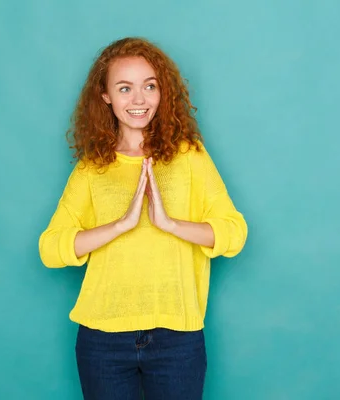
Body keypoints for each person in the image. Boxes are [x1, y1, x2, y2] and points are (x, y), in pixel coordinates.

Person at [38, 37, 248, 400]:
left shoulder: (190, 158)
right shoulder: (92, 168)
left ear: (162, 91)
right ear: (105, 96)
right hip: (102, 341)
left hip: (177, 339)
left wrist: (170, 224)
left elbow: (234, 233)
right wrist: (119, 225)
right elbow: (50, 249)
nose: (139, 100)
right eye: (125, 88)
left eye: (149, 86)